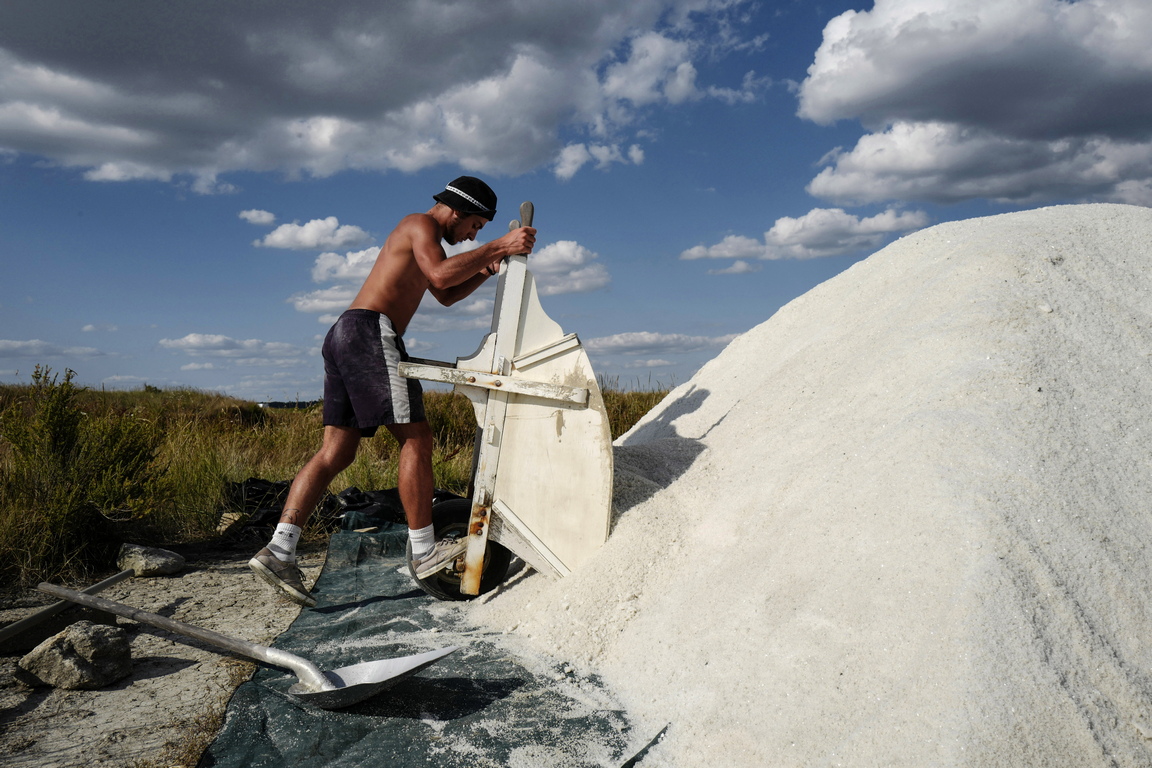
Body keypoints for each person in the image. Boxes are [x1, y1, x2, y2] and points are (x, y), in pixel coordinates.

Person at [249, 176, 537, 607]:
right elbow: (440, 273)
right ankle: (424, 551)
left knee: (336, 452)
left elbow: (443, 292)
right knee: (417, 438)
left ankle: (280, 549)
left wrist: (484, 268)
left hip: (345, 333)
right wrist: (499, 245)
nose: (474, 235)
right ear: (457, 211)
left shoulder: (428, 241)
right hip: (370, 331)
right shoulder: (420, 223)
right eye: (475, 225)